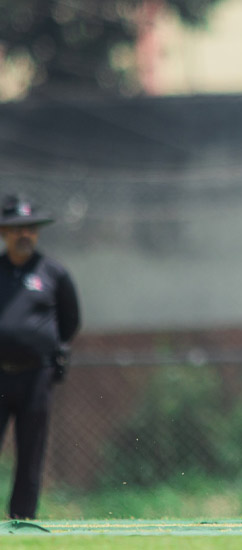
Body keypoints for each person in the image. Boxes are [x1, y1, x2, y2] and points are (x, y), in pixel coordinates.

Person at [0, 194, 80, 520]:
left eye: (31, 228)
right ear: (4, 231)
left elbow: (70, 320)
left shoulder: (53, 273)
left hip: (36, 376)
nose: (25, 234)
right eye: (18, 228)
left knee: (31, 451)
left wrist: (44, 346)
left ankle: (22, 519)